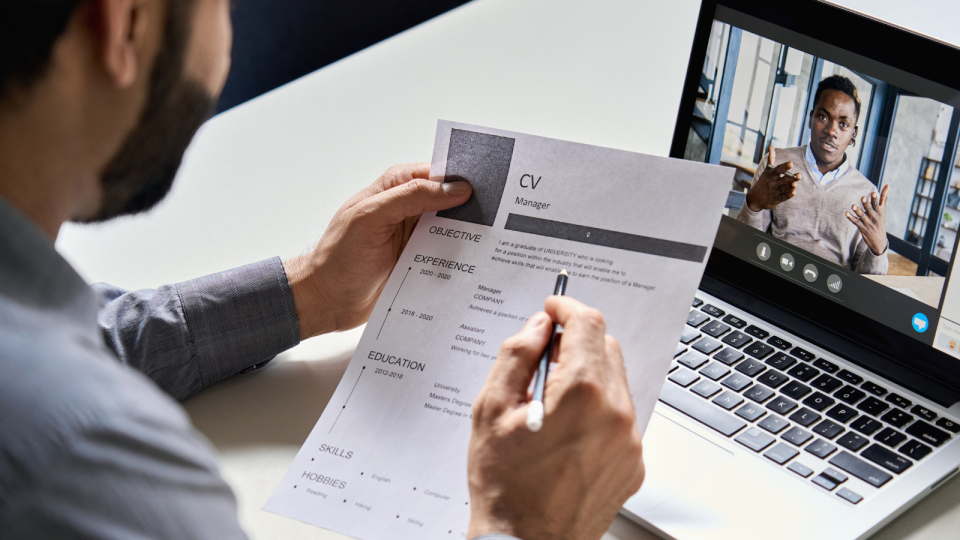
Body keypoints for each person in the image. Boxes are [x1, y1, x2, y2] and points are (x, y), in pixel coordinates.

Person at [0, 1, 644, 539]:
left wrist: (311, 292)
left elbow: (96, 337)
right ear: (123, 25)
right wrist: (518, 523)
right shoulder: (86, 469)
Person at [738, 75, 890, 275]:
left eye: (843, 124)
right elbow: (746, 244)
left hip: (831, 293)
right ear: (811, 118)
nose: (831, 131)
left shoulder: (866, 193)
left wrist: (878, 249)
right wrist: (754, 204)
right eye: (823, 117)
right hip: (772, 275)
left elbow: (866, 282)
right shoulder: (776, 165)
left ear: (854, 134)